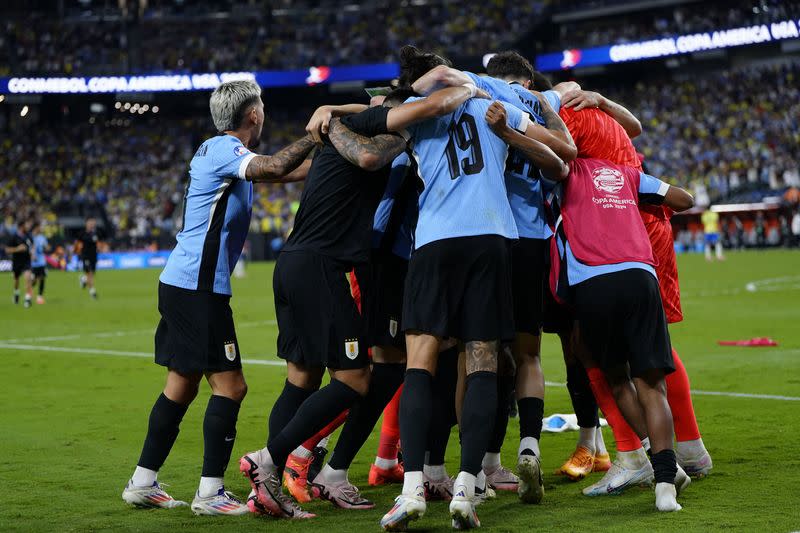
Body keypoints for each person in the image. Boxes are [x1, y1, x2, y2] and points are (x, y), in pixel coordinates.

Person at [239, 83, 493, 520]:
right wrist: (430, 110)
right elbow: (377, 137)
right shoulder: (372, 133)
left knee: (302, 378)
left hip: (297, 261)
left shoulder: (353, 123)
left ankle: (278, 479)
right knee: (359, 377)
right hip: (336, 265)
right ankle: (273, 460)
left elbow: (370, 112)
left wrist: (332, 109)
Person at [381, 50, 568, 529]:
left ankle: (413, 489)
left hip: (437, 241)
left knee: (421, 361)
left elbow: (371, 130)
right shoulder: (499, 97)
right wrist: (509, 128)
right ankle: (467, 489)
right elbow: (559, 157)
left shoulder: (415, 106)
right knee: (483, 361)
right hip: (493, 239)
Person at [122, 79, 315, 516]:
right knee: (232, 386)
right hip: (198, 288)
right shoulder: (225, 149)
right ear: (254, 115)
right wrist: (314, 134)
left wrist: (330, 153)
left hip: (181, 282)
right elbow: (271, 166)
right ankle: (210, 492)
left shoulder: (227, 154)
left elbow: (284, 170)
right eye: (262, 106)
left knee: (181, 384)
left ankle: (142, 481)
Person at [551, 156, 695, 511]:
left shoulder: (563, 170)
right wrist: (639, 196)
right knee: (652, 385)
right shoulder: (628, 174)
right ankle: (665, 484)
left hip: (592, 284)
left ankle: (659, 462)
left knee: (618, 380)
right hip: (638, 276)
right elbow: (685, 199)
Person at [5, 220, 33, 308]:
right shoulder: (14, 237)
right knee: (16, 280)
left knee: (28, 278)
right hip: (17, 262)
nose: (28, 226)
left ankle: (27, 299)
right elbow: (7, 250)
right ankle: (16, 293)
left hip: (26, 261)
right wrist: (17, 249)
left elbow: (32, 246)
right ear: (21, 226)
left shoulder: (29, 236)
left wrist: (33, 252)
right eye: (26, 225)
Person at [75, 217, 104, 299]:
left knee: (92, 274)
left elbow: (99, 242)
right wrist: (77, 252)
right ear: (86, 223)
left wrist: (100, 248)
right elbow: (77, 243)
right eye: (90, 222)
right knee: (90, 273)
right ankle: (92, 292)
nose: (92, 224)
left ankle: (83, 279)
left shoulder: (96, 233)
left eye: (93, 222)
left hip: (94, 256)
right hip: (85, 256)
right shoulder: (82, 233)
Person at [30, 221, 49, 305]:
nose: (40, 228)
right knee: (34, 280)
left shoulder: (42, 237)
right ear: (36, 228)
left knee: (42, 278)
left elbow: (46, 247)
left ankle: (40, 297)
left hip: (42, 261)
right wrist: (32, 255)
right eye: (39, 227)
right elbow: (30, 248)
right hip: (33, 263)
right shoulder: (31, 237)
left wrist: (47, 248)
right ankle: (29, 290)